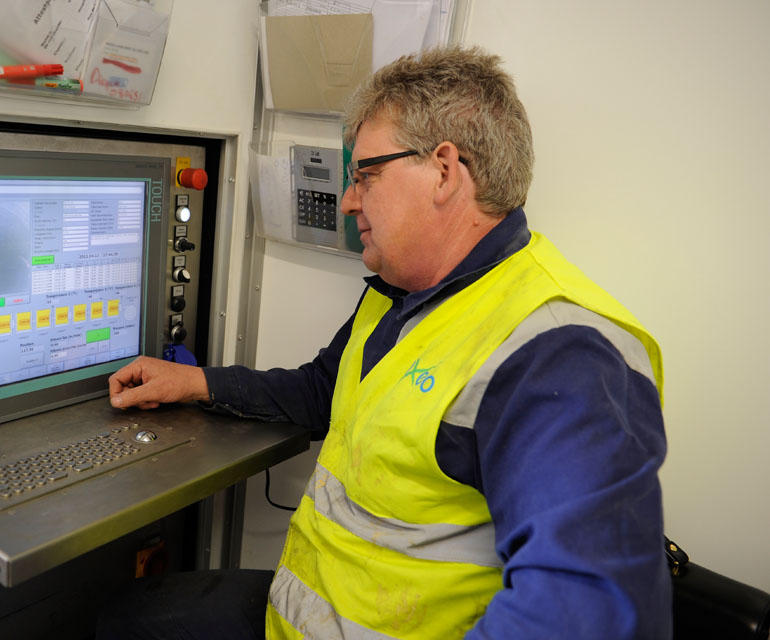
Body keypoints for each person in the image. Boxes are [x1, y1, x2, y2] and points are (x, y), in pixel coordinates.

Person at [98, 46, 671, 639]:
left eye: (365, 175)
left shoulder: (558, 352)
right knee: (128, 617)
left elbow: (592, 616)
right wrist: (197, 382)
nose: (349, 201)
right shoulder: (405, 291)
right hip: (299, 617)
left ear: (444, 171)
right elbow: (324, 390)